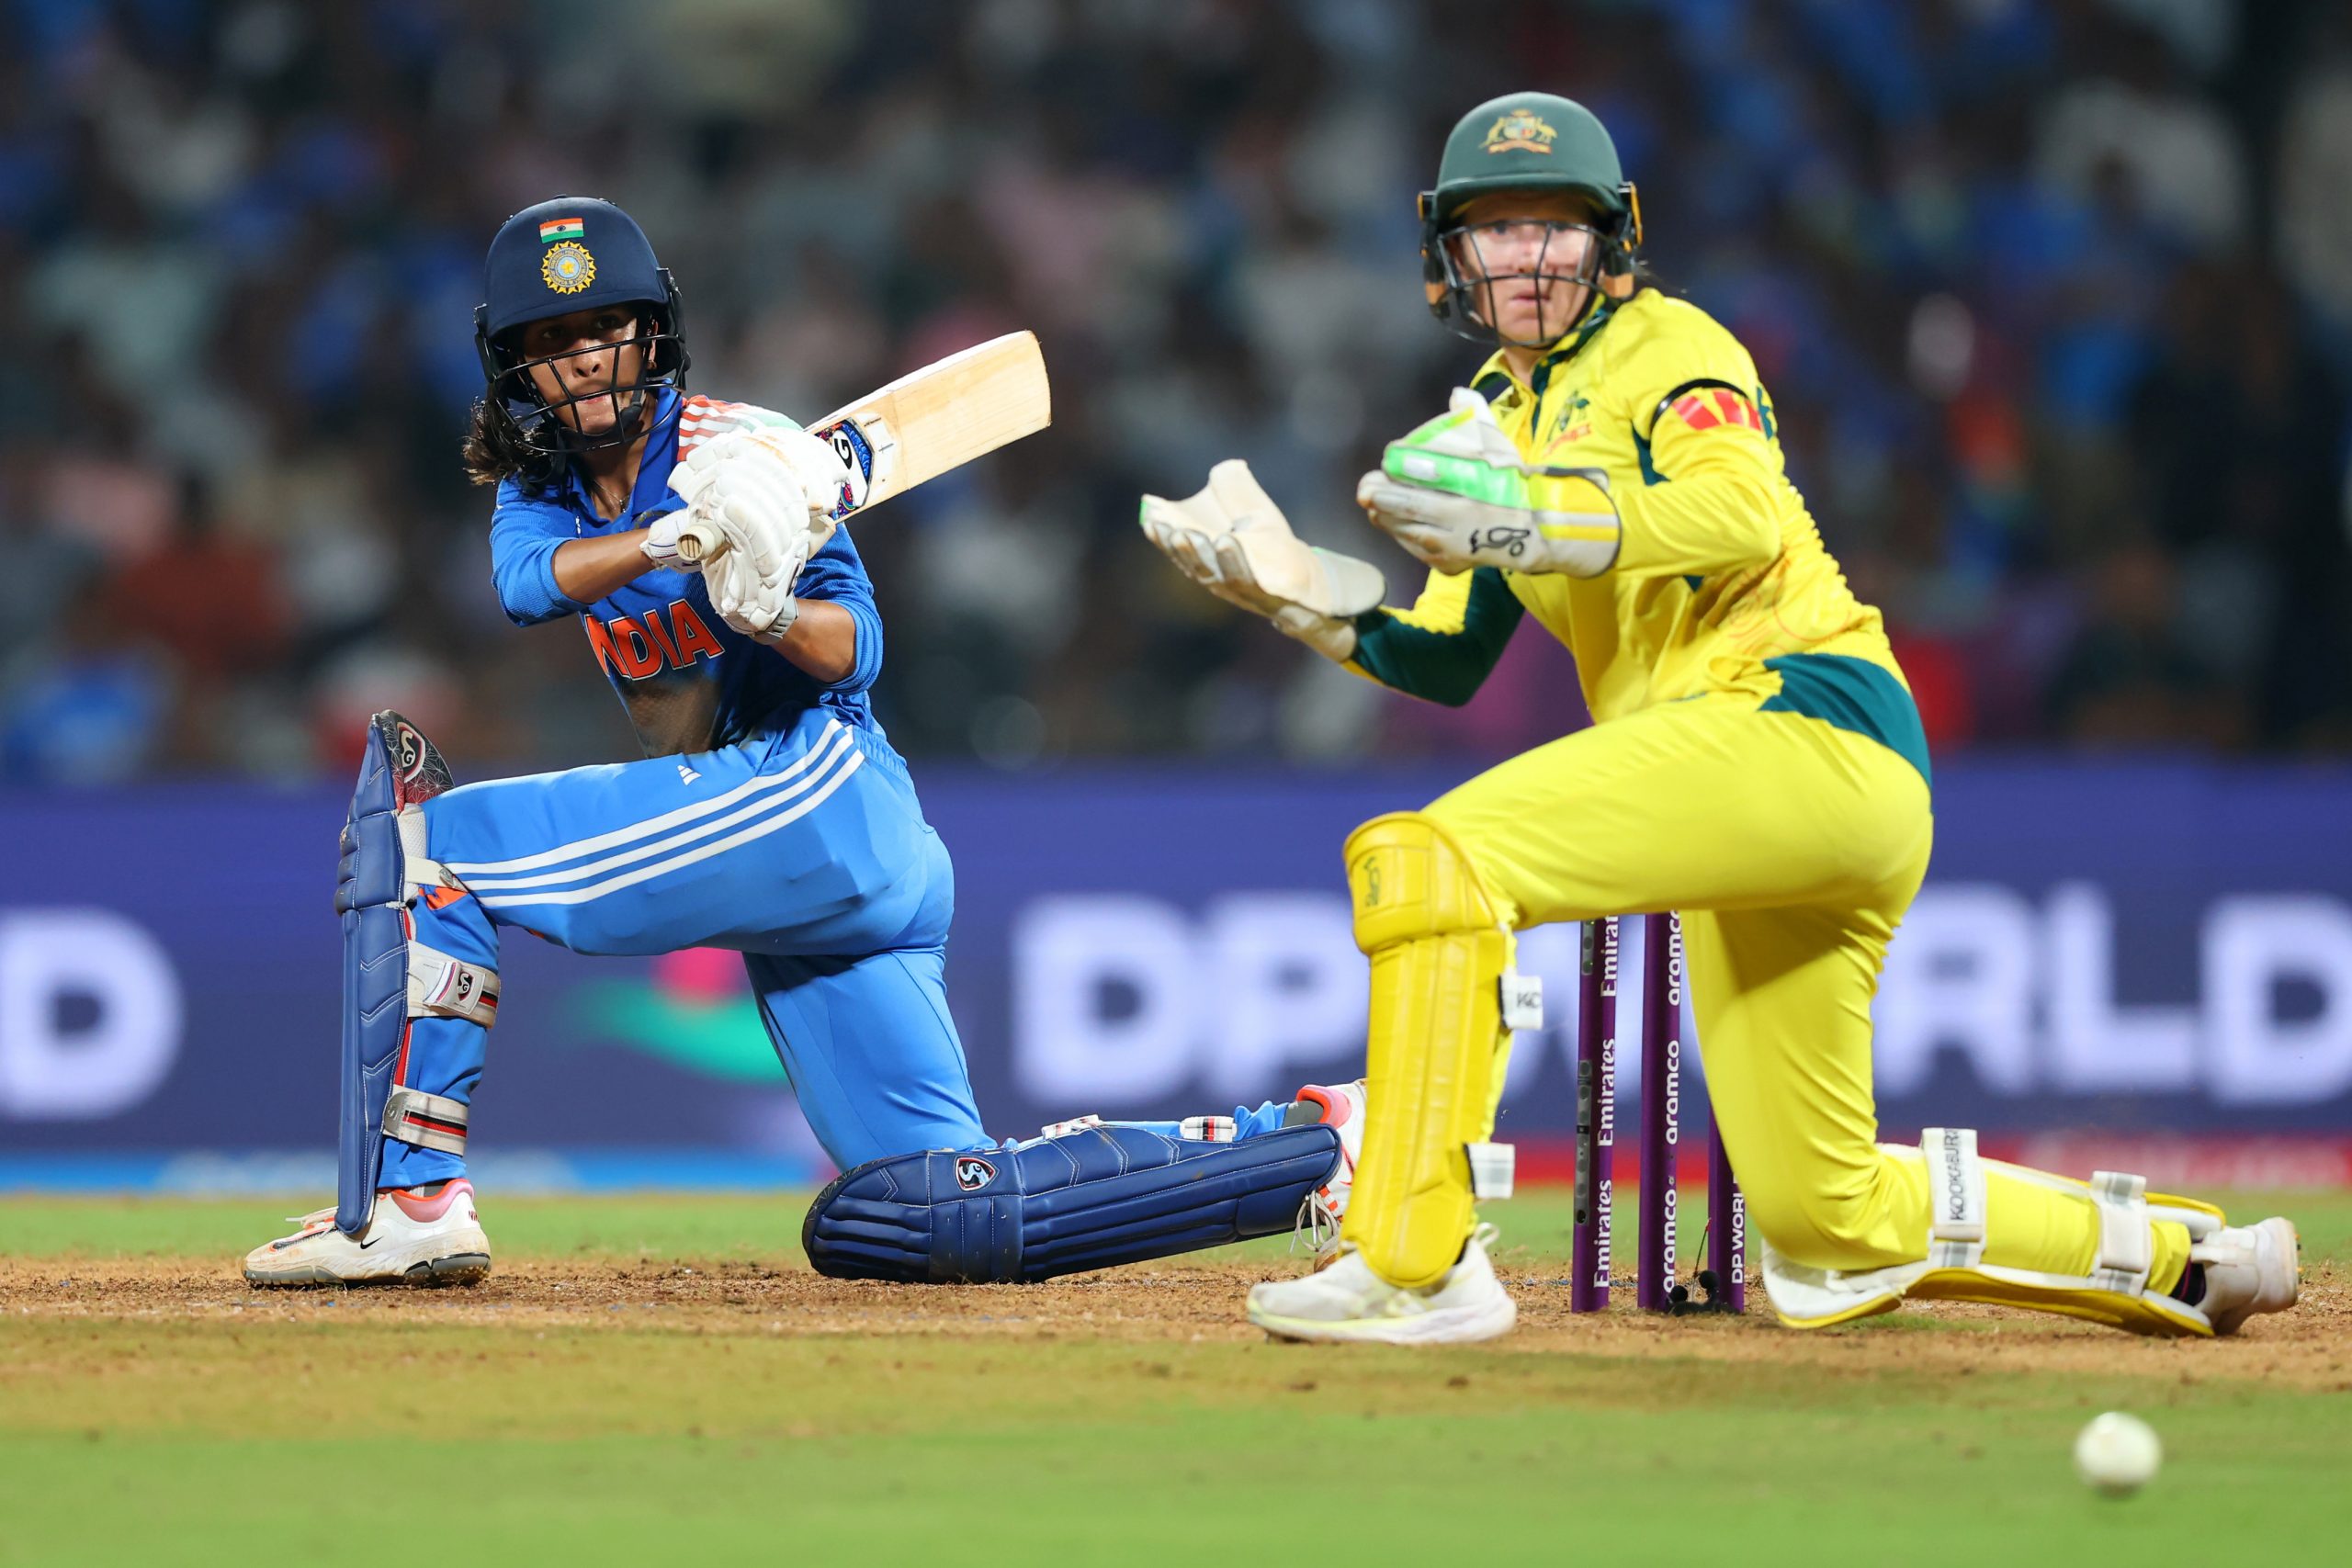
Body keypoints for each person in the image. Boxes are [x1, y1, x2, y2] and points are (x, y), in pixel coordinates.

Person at [1141, 95, 2301, 1345]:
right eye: (1495, 230)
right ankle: (2191, 1253)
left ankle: (1416, 1259)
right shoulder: (1487, 418)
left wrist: (1533, 520)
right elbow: (1449, 654)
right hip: (1745, 795)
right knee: (1823, 1228)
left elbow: (1742, 513)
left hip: (1802, 719)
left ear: (1611, 243)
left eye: (1556, 229)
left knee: (1436, 856)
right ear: (1448, 255)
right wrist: (1295, 591)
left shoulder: (1672, 346)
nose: (1527, 257)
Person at [245, 197, 1353, 1287]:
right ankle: (1319, 1145)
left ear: (652, 334)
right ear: (513, 366)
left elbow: (858, 649)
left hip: (813, 782)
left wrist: (765, 603)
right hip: (809, 854)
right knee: (936, 1209)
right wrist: (671, 539)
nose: (582, 359)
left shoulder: (759, 457)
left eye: (602, 329)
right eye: (549, 341)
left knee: (430, 846)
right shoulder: (542, 492)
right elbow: (527, 588)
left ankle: (413, 1202)